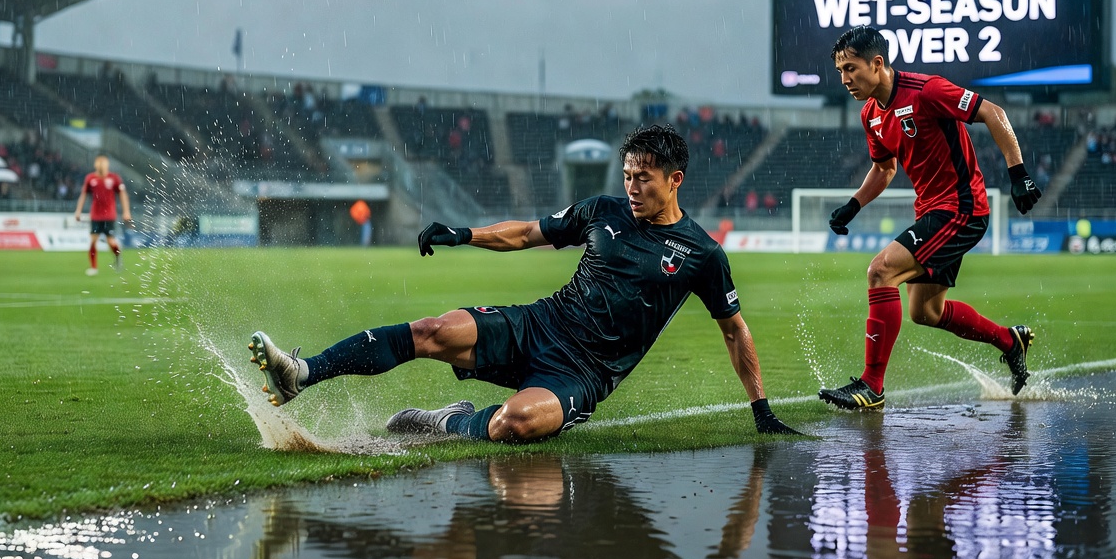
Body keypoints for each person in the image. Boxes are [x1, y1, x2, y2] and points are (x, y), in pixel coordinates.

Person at [248, 124, 799, 442]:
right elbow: (527, 234)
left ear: (675, 181)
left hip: (585, 373)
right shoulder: (601, 210)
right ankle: (303, 373)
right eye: (628, 176)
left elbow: (735, 331)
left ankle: (452, 422)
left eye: (645, 179)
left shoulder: (703, 253)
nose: (632, 188)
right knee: (433, 329)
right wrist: (462, 234)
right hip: (538, 324)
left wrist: (762, 410)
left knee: (517, 422)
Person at [819, 26, 1041, 411]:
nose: (845, 79)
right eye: (840, 71)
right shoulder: (871, 114)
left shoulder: (928, 90)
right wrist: (854, 204)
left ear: (877, 63)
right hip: (932, 210)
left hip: (961, 207)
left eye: (851, 69)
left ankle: (872, 386)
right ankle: (1009, 340)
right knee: (926, 311)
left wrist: (1018, 172)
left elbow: (992, 111)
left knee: (880, 271)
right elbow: (884, 169)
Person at [73, 154, 131, 276]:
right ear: (96, 165)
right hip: (95, 216)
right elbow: (83, 195)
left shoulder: (114, 178)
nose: (101, 165)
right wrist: (78, 210)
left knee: (111, 242)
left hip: (109, 216)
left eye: (103, 163)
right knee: (93, 241)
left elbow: (122, 194)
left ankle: (117, 256)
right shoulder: (90, 179)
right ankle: (93, 267)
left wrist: (126, 211)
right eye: (99, 163)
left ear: (107, 165)